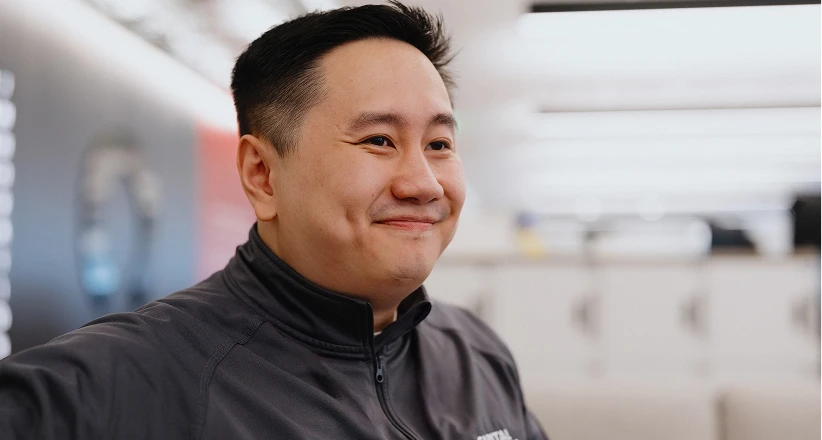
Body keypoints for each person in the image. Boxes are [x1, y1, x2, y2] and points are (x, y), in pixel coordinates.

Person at [0, 2, 548, 439]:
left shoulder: (475, 353)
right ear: (262, 175)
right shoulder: (120, 383)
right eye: (378, 140)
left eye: (439, 143)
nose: (423, 183)